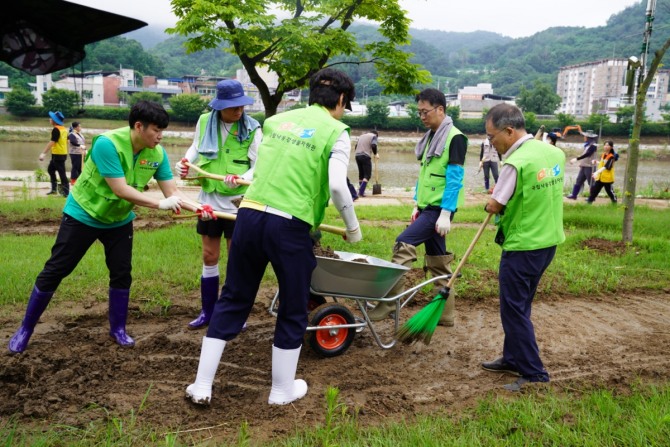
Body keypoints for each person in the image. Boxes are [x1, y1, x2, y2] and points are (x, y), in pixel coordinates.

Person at [186, 68, 363, 406]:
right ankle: (281, 391)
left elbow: (261, 170)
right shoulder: (336, 131)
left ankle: (202, 385)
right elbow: (339, 186)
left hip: (249, 216)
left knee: (234, 297)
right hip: (289, 226)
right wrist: (353, 229)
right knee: (294, 305)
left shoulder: (277, 122)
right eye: (344, 105)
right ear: (341, 101)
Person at [8, 101, 213, 354]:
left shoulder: (156, 154)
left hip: (118, 220)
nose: (161, 136)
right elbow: (121, 189)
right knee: (56, 269)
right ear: (139, 126)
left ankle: (118, 329)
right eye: (156, 130)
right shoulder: (108, 144)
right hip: (84, 213)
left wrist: (200, 208)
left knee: (121, 272)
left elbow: (172, 191)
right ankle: (26, 328)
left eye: (163, 131)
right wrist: (160, 205)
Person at [481, 103, 565, 392]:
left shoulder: (515, 163)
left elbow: (495, 205)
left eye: (492, 137)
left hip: (523, 246)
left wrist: (489, 202)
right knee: (521, 305)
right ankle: (513, 356)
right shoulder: (554, 153)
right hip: (548, 242)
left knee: (513, 310)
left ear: (509, 130)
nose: (491, 144)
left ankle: (534, 373)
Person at [367, 88, 467, 326]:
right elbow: (425, 175)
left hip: (439, 209)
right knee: (438, 259)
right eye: (419, 112)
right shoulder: (432, 135)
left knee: (404, 243)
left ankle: (389, 303)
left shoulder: (455, 138)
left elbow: (454, 179)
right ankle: (446, 315)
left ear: (440, 109)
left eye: (425, 112)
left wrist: (445, 213)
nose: (421, 116)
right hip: (427, 207)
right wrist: (416, 203)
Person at [175, 80, 262, 330]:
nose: (238, 111)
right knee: (209, 255)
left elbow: (260, 164)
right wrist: (186, 161)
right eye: (232, 107)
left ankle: (233, 314)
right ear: (219, 106)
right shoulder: (205, 121)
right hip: (209, 200)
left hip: (237, 204)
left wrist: (243, 178)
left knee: (236, 259)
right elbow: (195, 146)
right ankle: (208, 312)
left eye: (241, 106)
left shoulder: (253, 128)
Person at [39, 111, 69, 197]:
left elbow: (52, 142)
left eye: (51, 118)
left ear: (55, 121)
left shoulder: (56, 129)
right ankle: (54, 190)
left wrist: (43, 153)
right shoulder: (63, 129)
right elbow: (67, 140)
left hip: (58, 154)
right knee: (51, 170)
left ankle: (65, 192)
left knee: (62, 173)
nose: (49, 119)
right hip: (60, 153)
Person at [566, 131, 598, 199]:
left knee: (591, 182)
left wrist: (576, 159)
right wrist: (581, 163)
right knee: (579, 180)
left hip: (590, 167)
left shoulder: (593, 146)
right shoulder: (587, 145)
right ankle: (574, 195)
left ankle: (592, 197)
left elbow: (588, 154)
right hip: (584, 166)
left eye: (585, 136)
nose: (584, 137)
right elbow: (584, 155)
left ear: (588, 137)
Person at [354, 130, 379, 197]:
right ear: (376, 135)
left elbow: (356, 146)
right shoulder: (374, 136)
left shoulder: (361, 136)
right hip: (365, 156)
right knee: (367, 175)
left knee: (361, 174)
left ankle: (361, 191)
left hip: (357, 155)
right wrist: (376, 154)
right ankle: (361, 192)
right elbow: (373, 145)